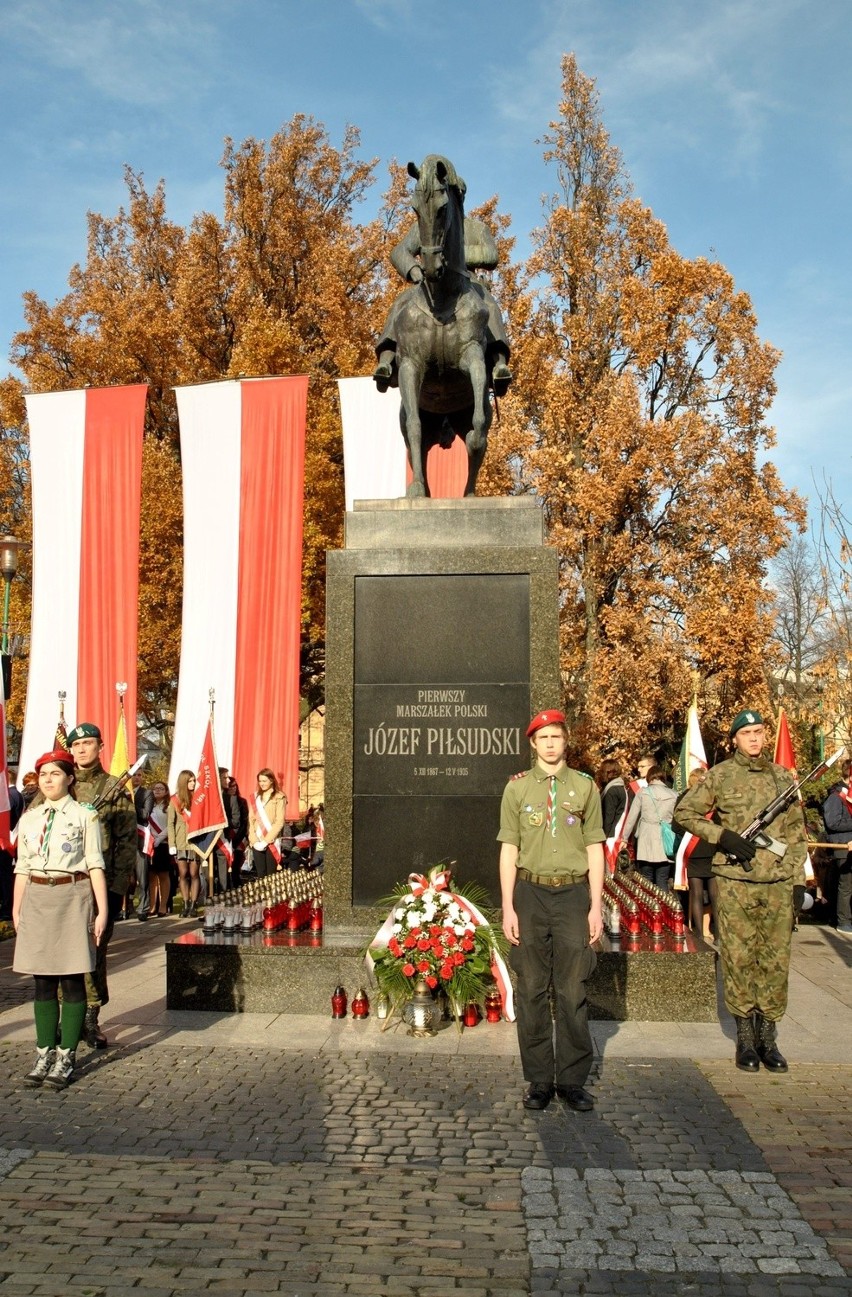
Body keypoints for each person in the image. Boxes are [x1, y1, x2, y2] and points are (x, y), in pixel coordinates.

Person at [675, 709, 808, 1073]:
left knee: (775, 961)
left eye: (759, 731)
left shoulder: (783, 778)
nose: (754, 738)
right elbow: (684, 812)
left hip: (778, 884)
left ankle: (769, 1037)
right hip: (735, 882)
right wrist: (724, 836)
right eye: (746, 732)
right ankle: (746, 1040)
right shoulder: (719, 776)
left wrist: (797, 882)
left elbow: (797, 835)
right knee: (737, 958)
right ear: (734, 738)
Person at [498, 709, 604, 1113]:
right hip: (531, 893)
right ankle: (540, 1079)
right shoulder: (517, 790)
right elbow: (509, 849)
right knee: (531, 988)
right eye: (543, 738)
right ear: (533, 744)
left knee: (573, 988)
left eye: (556, 737)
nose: (550, 744)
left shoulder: (585, 787)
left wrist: (596, 905)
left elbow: (595, 847)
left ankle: (573, 1080)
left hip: (574, 894)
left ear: (565, 740)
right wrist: (508, 905)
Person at [12, 749, 108, 1088]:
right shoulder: (30, 817)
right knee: (42, 982)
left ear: (69, 778)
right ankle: (44, 1053)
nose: (48, 780)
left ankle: (66, 1055)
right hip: (37, 896)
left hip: (72, 895)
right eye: (43, 774)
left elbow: (95, 863)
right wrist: (16, 907)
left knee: (71, 979)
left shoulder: (85, 815)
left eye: (55, 773)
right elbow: (22, 866)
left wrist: (102, 910)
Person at [66, 722, 137, 1049]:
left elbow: (126, 841)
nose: (82, 750)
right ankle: (69, 1017)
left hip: (100, 886)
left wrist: (117, 888)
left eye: (89, 743)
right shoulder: (59, 785)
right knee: (61, 953)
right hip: (63, 885)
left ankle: (91, 1018)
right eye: (76, 745)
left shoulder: (114, 788)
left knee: (94, 952)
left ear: (100, 746)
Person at [672, 768, 718, 943]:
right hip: (713, 848)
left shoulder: (684, 798)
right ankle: (718, 935)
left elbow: (676, 826)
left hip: (693, 849)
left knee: (696, 894)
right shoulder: (715, 799)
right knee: (715, 894)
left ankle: (698, 933)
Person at [621, 764, 677, 889]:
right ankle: (665, 908)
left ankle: (649, 908)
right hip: (666, 840)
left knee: (646, 879)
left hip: (646, 841)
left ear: (649, 778)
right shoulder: (674, 794)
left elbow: (632, 817)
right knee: (663, 879)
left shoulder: (643, 792)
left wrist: (624, 838)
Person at [822, 759, 852, 934]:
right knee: (846, 885)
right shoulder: (836, 797)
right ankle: (843, 921)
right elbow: (833, 823)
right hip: (842, 846)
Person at [168, 770, 199, 915]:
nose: (193, 783)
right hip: (180, 841)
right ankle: (185, 904)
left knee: (194, 873)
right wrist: (171, 844)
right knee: (183, 873)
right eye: (190, 781)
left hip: (195, 841)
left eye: (194, 780)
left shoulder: (198, 798)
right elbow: (170, 823)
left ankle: (194, 905)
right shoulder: (174, 800)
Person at [247, 769, 287, 879]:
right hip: (257, 841)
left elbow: (279, 822)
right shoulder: (255, 797)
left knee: (271, 875)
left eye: (264, 781)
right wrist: (253, 840)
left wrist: (266, 841)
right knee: (260, 875)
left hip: (271, 841)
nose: (262, 783)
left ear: (271, 780)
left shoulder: (279, 797)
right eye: (260, 781)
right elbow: (251, 820)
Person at [595, 758, 633, 872]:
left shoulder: (612, 790)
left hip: (611, 835)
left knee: (609, 870)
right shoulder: (620, 787)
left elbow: (608, 815)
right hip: (617, 832)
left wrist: (603, 836)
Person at [147, 781, 171, 917]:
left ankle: (163, 906)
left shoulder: (168, 806)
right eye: (155, 788)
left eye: (161, 788)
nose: (157, 790)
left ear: (166, 791)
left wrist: (159, 839)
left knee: (163, 875)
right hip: (149, 844)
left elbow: (170, 825)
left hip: (163, 844)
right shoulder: (149, 805)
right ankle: (152, 906)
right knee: (151, 876)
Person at [132, 770, 154, 922]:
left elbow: (145, 815)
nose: (136, 777)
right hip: (122, 838)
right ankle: (123, 907)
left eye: (139, 775)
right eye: (134, 774)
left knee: (142, 875)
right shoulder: (120, 790)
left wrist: (131, 803)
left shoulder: (147, 794)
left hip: (140, 838)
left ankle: (143, 907)